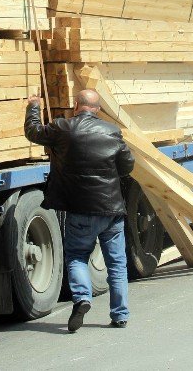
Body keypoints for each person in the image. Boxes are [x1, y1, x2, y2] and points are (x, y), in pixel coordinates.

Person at [24, 89, 135, 332]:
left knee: (77, 257)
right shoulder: (112, 132)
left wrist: (34, 106)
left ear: (76, 106)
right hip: (111, 211)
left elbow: (33, 132)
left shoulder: (63, 128)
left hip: (80, 209)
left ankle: (83, 299)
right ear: (97, 109)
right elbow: (127, 165)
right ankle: (120, 315)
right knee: (116, 264)